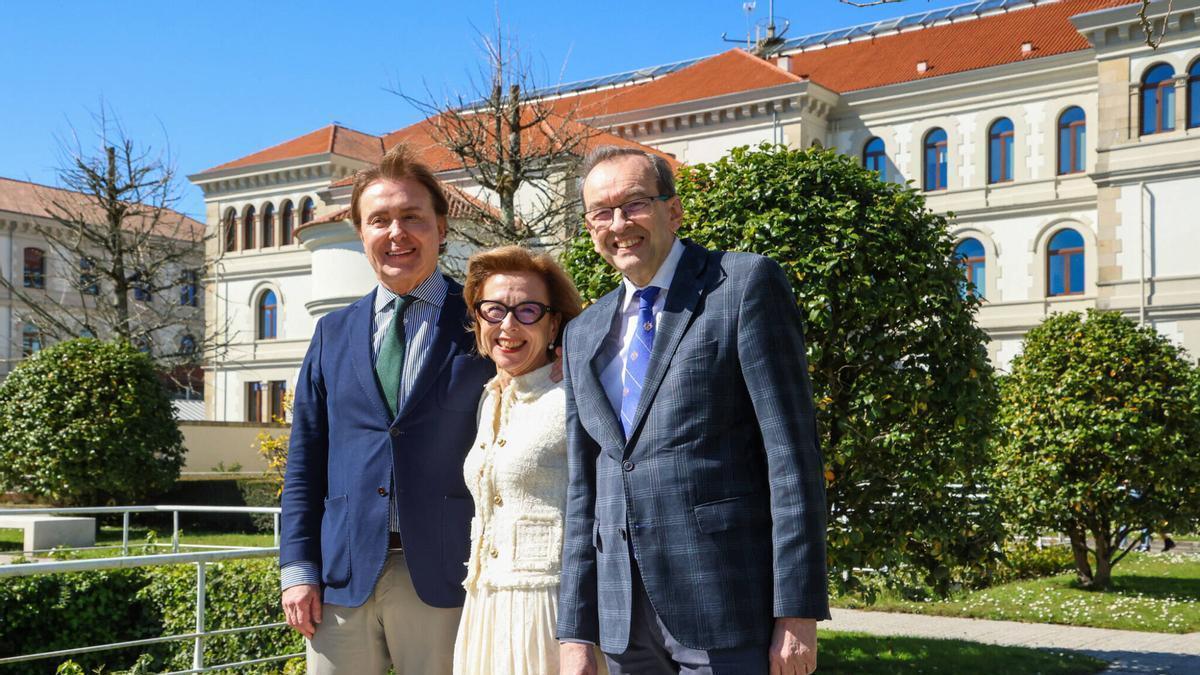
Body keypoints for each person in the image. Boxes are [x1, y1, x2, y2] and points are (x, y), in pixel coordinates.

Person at [556, 146, 830, 675]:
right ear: (589, 227)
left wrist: (797, 611)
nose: (619, 224)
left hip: (725, 604)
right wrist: (575, 632)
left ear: (674, 210)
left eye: (635, 204)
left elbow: (792, 458)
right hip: (622, 618)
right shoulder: (581, 333)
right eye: (601, 212)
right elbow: (582, 491)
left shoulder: (743, 285)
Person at [279, 144, 495, 673]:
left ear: (441, 226)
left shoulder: (485, 325)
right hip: (342, 577)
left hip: (448, 574)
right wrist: (298, 569)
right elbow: (305, 461)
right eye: (379, 220)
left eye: (412, 217)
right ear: (361, 233)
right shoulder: (332, 334)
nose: (396, 233)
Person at [451, 245, 587, 674]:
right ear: (478, 321)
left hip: (549, 613)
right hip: (484, 607)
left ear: (553, 323)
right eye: (493, 310)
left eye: (527, 310)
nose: (508, 325)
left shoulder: (575, 396)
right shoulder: (490, 398)